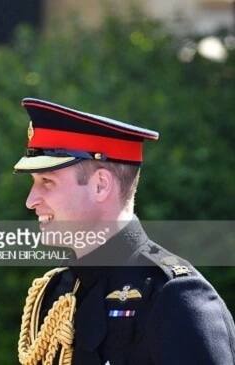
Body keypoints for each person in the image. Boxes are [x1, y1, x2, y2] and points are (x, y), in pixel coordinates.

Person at [13, 98, 235, 364]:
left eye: (47, 182)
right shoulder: (56, 291)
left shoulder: (174, 296)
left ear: (100, 185)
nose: (31, 200)